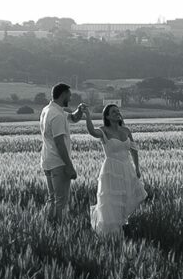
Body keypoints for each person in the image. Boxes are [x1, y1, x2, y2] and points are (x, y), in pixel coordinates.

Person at [84, 102, 145, 237]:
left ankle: (123, 227)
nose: (117, 113)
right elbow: (92, 132)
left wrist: (137, 168)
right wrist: (87, 115)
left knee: (125, 199)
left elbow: (134, 150)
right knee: (111, 201)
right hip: (111, 171)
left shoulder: (126, 130)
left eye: (118, 111)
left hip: (127, 168)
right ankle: (111, 233)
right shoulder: (103, 130)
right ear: (107, 116)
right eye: (113, 112)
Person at [38, 82, 88, 221]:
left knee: (52, 198)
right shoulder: (57, 115)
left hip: (47, 160)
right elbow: (59, 143)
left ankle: (48, 225)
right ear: (63, 94)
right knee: (61, 201)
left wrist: (79, 110)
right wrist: (69, 166)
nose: (70, 98)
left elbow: (72, 118)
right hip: (58, 162)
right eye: (69, 95)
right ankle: (60, 226)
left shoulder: (48, 110)